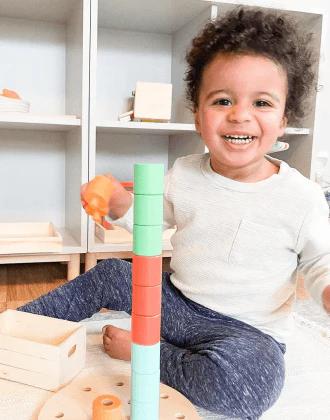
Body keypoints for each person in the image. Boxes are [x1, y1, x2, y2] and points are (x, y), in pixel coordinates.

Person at [18, 7, 330, 419]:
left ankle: (147, 354)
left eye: (262, 102)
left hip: (246, 334)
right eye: (222, 100)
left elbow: (319, 261)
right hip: (176, 305)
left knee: (251, 386)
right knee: (112, 274)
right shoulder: (184, 173)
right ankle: (17, 328)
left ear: (284, 120)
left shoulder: (302, 196)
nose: (240, 114)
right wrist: (117, 202)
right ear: (198, 117)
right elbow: (147, 218)